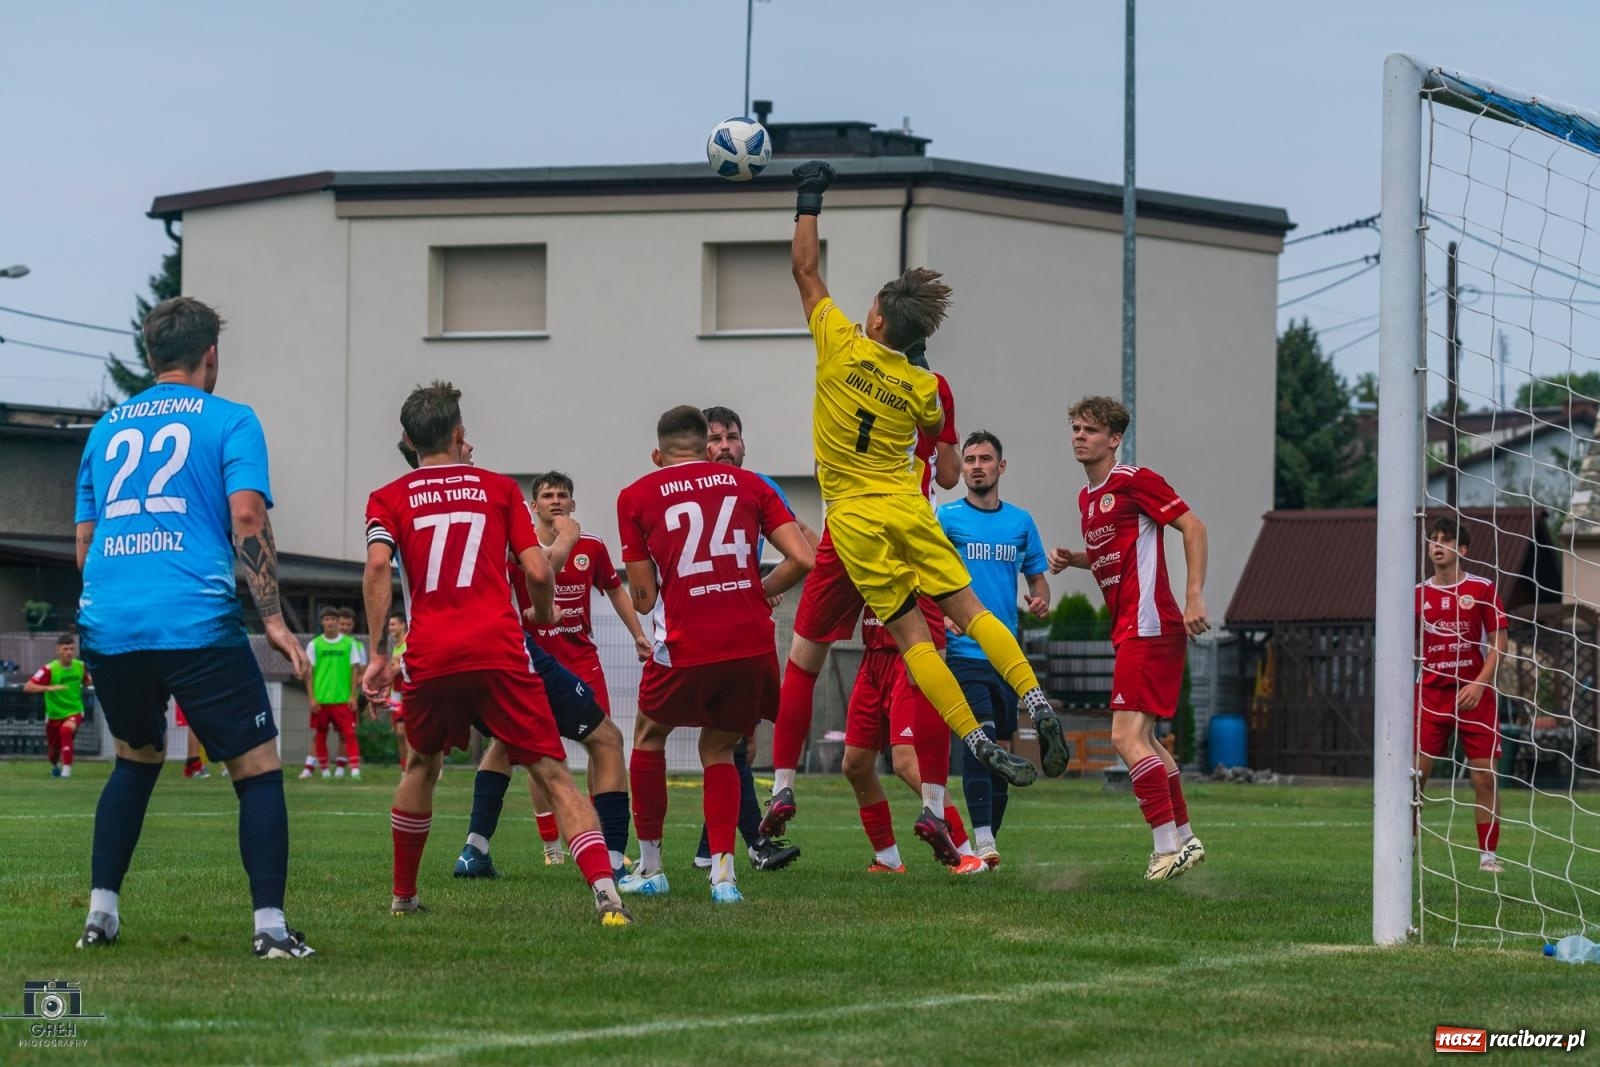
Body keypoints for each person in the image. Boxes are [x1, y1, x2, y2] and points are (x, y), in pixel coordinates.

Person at [785, 160, 1062, 809]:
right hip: (911, 511)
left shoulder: (839, 347)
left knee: (913, 639)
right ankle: (1035, 698)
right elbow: (939, 441)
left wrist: (807, 197)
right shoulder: (922, 387)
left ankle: (976, 736)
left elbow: (804, 270)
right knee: (971, 612)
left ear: (876, 321)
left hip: (855, 519)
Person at [72, 296, 314, 958]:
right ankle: (269, 928)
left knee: (136, 758)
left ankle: (101, 914)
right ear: (212, 355)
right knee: (257, 767)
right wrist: (272, 620)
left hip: (109, 619)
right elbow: (246, 518)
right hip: (193, 617)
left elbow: (85, 543)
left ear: (150, 357)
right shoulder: (232, 419)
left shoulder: (105, 429)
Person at [360, 381, 631, 926]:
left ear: (409, 439)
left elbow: (375, 569)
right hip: (500, 648)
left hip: (432, 651)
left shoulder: (387, 497)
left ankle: (403, 896)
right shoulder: (498, 489)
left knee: (422, 765)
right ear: (460, 434)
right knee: (552, 769)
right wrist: (546, 612)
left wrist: (379, 654)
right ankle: (607, 895)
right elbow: (536, 570)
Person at [615, 405, 813, 904]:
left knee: (648, 735)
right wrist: (752, 588)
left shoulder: (636, 495)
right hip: (750, 641)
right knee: (720, 748)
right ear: (708, 447)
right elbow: (804, 558)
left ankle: (652, 866)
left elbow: (643, 600)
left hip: (688, 639)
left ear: (658, 454)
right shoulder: (752, 486)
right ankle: (724, 875)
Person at [763, 341, 960, 840]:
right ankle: (935, 807)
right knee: (930, 668)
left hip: (847, 528)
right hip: (905, 531)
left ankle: (783, 782)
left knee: (802, 664)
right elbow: (951, 474)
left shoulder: (851, 372)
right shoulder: (931, 386)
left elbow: (819, 467)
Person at [1047, 395, 1209, 881]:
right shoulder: (1088, 498)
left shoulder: (1135, 481)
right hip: (1132, 629)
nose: (1080, 435)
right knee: (1148, 740)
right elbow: (1115, 549)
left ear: (1114, 440)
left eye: (1091, 430)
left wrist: (1194, 595)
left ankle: (1165, 848)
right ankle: (1183, 836)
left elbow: (1193, 527)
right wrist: (1074, 558)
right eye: (1075, 428)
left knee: (1124, 736)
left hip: (1150, 624)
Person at [687, 406, 806, 872]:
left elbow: (802, 544)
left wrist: (758, 590)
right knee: (719, 739)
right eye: (713, 439)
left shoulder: (761, 487)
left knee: (738, 741)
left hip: (743, 621)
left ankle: (704, 851)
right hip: (696, 622)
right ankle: (753, 845)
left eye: (730, 438)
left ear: (743, 444)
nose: (723, 447)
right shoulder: (683, 487)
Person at [520, 471, 649, 866]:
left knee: (603, 745)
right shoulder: (521, 550)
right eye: (547, 495)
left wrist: (638, 634)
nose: (556, 501)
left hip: (583, 660)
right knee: (542, 754)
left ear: (573, 504)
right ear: (533, 505)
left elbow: (615, 591)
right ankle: (551, 846)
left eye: (563, 495)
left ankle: (607, 842)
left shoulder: (591, 547)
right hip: (537, 663)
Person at [937, 431, 1051, 869]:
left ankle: (989, 841)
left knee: (1004, 751)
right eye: (970, 459)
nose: (977, 465)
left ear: (1001, 467)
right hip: (963, 650)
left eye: (986, 458)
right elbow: (923, 573)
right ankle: (982, 840)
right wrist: (941, 613)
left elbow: (1037, 578)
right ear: (962, 468)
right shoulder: (945, 518)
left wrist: (1041, 597)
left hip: (1006, 657)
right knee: (980, 739)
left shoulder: (1021, 523)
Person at [843, 600, 986, 875]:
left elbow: (939, 574)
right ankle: (888, 859)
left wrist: (947, 611)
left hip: (909, 654)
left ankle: (966, 853)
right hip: (873, 656)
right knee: (855, 764)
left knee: (907, 764)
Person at [1413, 517, 1508, 874]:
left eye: (1445, 540)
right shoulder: (1418, 594)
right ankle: (1405, 842)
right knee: (1415, 776)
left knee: (1484, 776)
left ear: (1462, 550)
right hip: (1431, 695)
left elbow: (1500, 641)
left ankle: (1488, 855)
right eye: (1432, 540)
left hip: (1475, 695)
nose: (1436, 545)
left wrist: (1480, 683)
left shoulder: (1482, 589)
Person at [299, 606, 363, 780]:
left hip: (343, 699)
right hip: (321, 699)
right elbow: (309, 673)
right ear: (322, 622)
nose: (330, 622)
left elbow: (356, 670)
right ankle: (325, 770)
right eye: (326, 619)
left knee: (349, 734)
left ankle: (354, 769)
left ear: (337, 621)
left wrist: (352, 695)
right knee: (320, 734)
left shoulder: (350, 644)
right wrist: (311, 697)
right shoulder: (314, 644)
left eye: (333, 619)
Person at [25, 633, 91, 779]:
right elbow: (28, 687)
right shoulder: (49, 669)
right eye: (65, 649)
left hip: (75, 710)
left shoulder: (80, 666)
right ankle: (55, 765)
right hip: (54, 714)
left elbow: (87, 681)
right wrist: (49, 688)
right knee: (53, 752)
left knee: (66, 731)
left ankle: (66, 772)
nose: (69, 652)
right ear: (58, 650)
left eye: (71, 649)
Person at [383, 611, 410, 769]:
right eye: (389, 625)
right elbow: (394, 670)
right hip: (397, 695)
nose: (390, 628)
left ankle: (419, 768)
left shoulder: (409, 643)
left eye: (393, 624)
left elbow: (398, 668)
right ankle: (404, 768)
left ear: (402, 625)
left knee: (410, 734)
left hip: (410, 694)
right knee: (400, 734)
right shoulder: (396, 647)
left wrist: (396, 664)